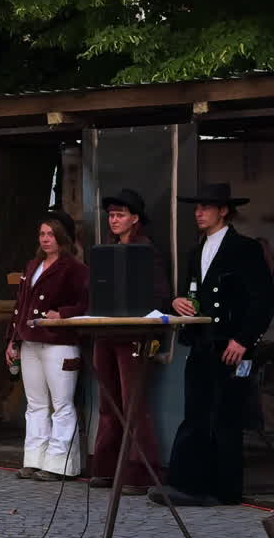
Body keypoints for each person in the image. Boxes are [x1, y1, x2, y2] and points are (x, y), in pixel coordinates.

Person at [153, 183, 274, 507]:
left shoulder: (244, 248)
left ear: (223, 210)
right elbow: (195, 294)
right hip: (202, 344)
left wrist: (244, 340)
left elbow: (262, 300)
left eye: (206, 207)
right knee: (195, 414)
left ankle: (224, 490)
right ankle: (187, 483)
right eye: (197, 207)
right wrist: (178, 301)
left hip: (230, 344)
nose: (199, 212)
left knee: (225, 418)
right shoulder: (196, 251)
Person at [89, 189, 170, 496]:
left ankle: (139, 472)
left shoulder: (146, 251)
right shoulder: (107, 250)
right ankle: (106, 468)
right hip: (107, 333)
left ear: (135, 219)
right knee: (108, 404)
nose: (114, 220)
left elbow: (160, 295)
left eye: (120, 215)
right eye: (111, 215)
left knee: (133, 405)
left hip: (133, 336)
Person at [6, 211, 88, 482]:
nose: (45, 239)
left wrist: (62, 313)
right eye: (42, 234)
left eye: (51, 234)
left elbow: (86, 303)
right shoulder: (33, 266)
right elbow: (21, 306)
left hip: (59, 342)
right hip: (30, 340)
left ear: (62, 237)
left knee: (62, 404)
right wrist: (13, 340)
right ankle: (34, 458)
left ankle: (60, 463)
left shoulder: (75, 268)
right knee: (36, 404)